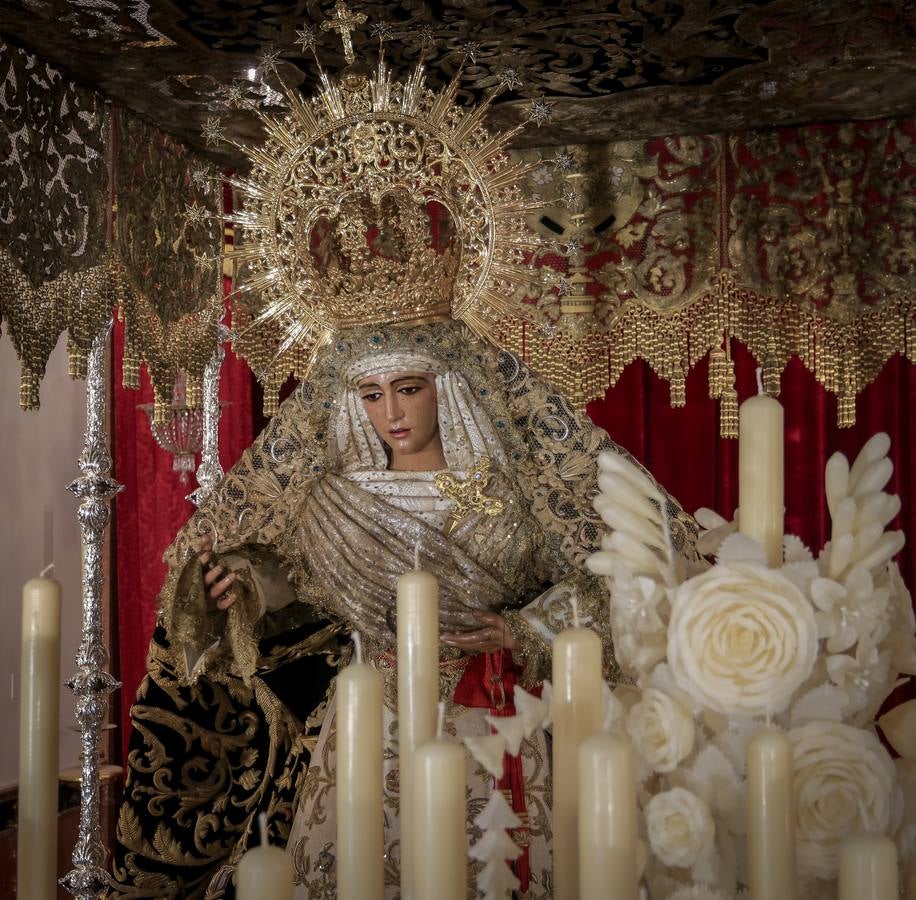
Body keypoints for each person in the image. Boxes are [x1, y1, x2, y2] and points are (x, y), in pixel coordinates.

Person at [107, 320, 699, 899]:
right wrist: (232, 584)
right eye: (371, 394)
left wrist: (526, 627)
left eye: (408, 389)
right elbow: (290, 587)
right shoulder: (333, 502)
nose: (390, 412)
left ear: (447, 386)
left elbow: (617, 577)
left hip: (493, 721)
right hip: (372, 722)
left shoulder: (512, 497)